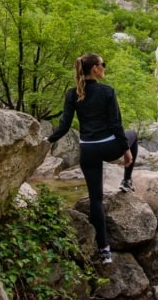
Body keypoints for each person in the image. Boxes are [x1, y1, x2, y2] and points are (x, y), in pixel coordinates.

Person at [47, 53, 139, 265]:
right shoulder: (107, 91)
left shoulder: (72, 94)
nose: (104, 67)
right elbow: (117, 124)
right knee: (132, 133)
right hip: (109, 146)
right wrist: (126, 150)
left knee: (95, 199)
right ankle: (126, 180)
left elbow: (64, 126)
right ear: (95, 69)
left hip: (87, 150)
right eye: (102, 64)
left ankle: (104, 250)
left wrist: (47, 140)